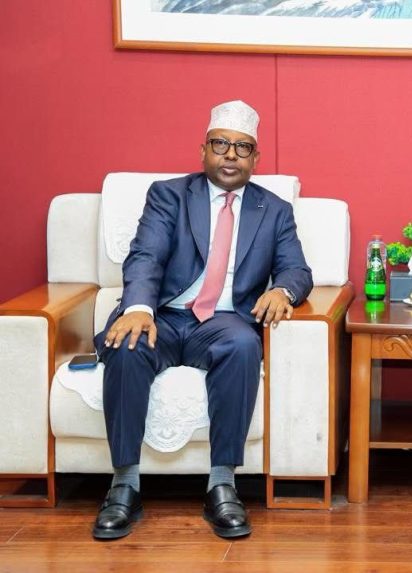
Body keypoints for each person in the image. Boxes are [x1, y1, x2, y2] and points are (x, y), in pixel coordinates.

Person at [91, 100, 313, 540]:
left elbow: (297, 270)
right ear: (203, 150)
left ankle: (222, 485)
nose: (231, 155)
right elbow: (146, 256)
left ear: (256, 158)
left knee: (244, 344)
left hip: (224, 321)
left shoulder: (274, 209)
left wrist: (281, 290)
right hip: (164, 314)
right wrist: (138, 308)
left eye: (242, 148)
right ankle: (124, 485)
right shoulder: (169, 195)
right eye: (220, 144)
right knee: (128, 342)